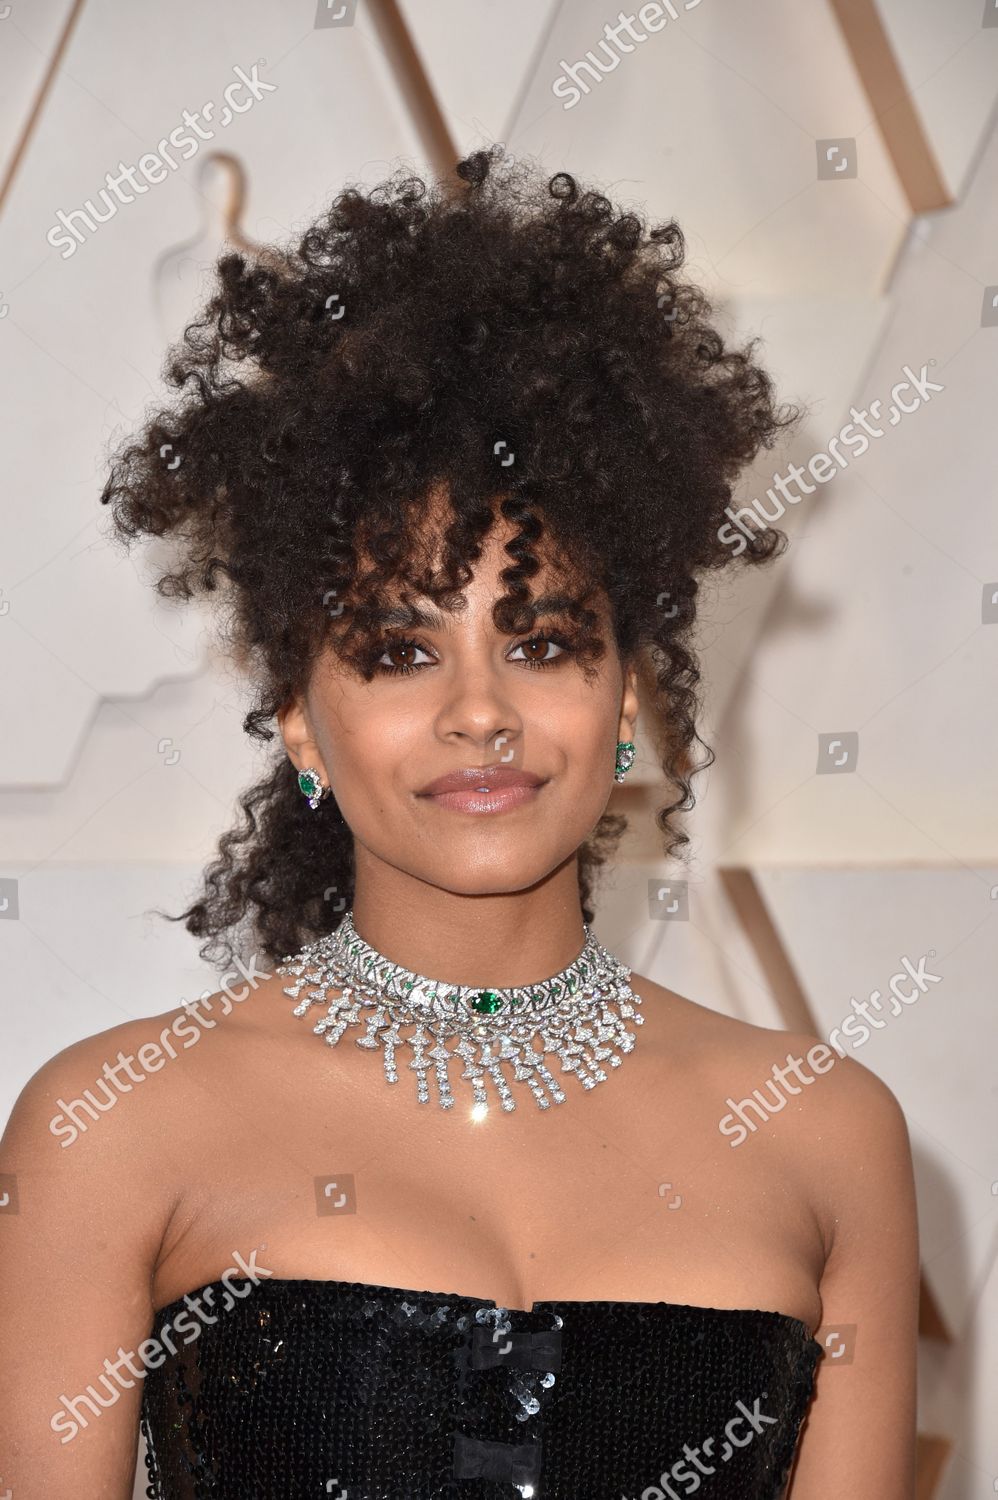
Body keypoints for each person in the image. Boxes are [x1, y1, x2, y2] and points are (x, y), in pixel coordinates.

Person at [0, 146, 918, 1498]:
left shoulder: (823, 1135)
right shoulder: (110, 1126)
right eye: (396, 651)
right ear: (302, 723)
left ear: (624, 704)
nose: (479, 712)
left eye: (541, 642)